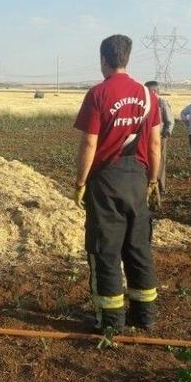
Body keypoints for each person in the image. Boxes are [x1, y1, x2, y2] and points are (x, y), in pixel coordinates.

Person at [72, 34, 162, 332]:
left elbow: (89, 143)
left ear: (103, 60)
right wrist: (152, 180)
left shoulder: (98, 94)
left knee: (106, 250)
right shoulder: (148, 97)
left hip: (106, 182)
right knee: (138, 247)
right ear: (127, 58)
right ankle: (144, 316)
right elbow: (155, 144)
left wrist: (80, 183)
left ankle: (111, 322)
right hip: (137, 179)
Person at [144, 81, 174, 196]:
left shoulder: (162, 103)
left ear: (154, 91)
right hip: (147, 138)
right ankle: (149, 183)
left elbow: (170, 121)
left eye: (147, 91)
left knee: (160, 162)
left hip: (160, 137)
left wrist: (165, 134)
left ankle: (161, 187)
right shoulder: (146, 103)